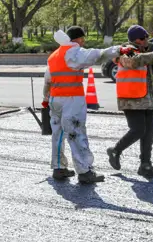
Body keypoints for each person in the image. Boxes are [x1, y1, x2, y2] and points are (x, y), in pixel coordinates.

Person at [42, 27, 122, 184]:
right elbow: (98, 55)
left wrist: (46, 99)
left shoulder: (54, 55)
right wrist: (119, 50)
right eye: (82, 39)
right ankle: (85, 171)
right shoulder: (74, 52)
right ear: (76, 39)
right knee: (76, 133)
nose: (83, 42)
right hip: (72, 100)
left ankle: (59, 168)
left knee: (58, 135)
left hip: (55, 100)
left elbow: (47, 80)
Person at [106, 25, 153, 178]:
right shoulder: (125, 51)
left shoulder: (147, 50)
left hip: (147, 98)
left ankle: (146, 165)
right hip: (131, 98)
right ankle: (115, 150)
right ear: (135, 40)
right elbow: (134, 61)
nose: (146, 39)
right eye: (143, 37)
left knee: (150, 131)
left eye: (147, 37)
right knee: (138, 130)